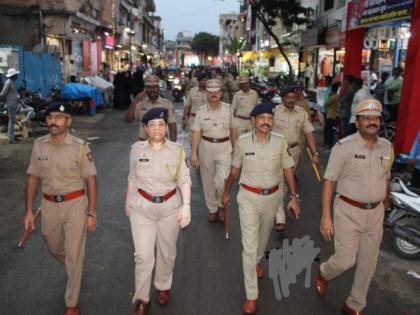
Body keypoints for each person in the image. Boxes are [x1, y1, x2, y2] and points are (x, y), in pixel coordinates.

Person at [316, 98, 393, 315]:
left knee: (369, 262)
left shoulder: (387, 147)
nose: (371, 122)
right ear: (357, 121)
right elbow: (329, 182)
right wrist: (325, 217)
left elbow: (386, 178)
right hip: (348, 211)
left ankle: (355, 304)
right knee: (344, 260)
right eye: (366, 118)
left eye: (375, 118)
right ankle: (324, 272)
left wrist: (386, 203)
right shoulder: (343, 147)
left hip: (376, 212)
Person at [222, 102, 300, 315]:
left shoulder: (280, 142)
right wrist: (226, 191)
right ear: (254, 121)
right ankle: (251, 296)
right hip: (247, 197)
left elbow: (288, 171)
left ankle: (258, 260)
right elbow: (235, 170)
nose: (266, 122)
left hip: (273, 198)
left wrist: (293, 197)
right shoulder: (243, 143)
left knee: (263, 237)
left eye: (269, 118)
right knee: (249, 246)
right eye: (262, 118)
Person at [23, 102, 97, 315]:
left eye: (59, 117)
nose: (53, 121)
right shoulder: (39, 145)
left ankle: (71, 303)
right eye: (50, 117)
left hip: (76, 205)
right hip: (49, 204)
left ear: (68, 121)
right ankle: (75, 266)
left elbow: (91, 181)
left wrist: (91, 213)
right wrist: (28, 210)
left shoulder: (80, 147)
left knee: (74, 253)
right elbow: (32, 177)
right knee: (52, 244)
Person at [125, 107, 191, 315]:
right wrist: (127, 203)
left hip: (170, 208)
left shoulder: (177, 150)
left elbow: (184, 179)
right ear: (145, 128)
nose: (156, 128)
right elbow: (132, 178)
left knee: (167, 253)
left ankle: (163, 286)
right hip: (142, 208)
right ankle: (142, 298)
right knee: (143, 256)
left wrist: (186, 205)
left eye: (160, 124)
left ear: (166, 127)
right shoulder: (136, 149)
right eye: (151, 125)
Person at [272, 85, 320, 231]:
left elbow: (309, 133)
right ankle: (280, 217)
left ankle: (283, 206)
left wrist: (315, 153)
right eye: (288, 98)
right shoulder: (274, 112)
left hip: (294, 152)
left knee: (287, 182)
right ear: (282, 98)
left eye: (293, 98)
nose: (291, 100)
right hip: (276, 151)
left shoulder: (301, 113)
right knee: (279, 181)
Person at [191, 79, 237, 222]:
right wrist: (193, 153)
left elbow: (234, 131)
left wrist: (236, 151)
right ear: (206, 94)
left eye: (216, 91)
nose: (213, 94)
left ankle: (221, 205)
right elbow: (196, 133)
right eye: (210, 92)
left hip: (225, 148)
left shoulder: (229, 109)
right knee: (208, 181)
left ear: (220, 93)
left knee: (222, 180)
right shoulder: (200, 111)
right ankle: (212, 209)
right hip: (206, 147)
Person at [125, 75, 177, 141]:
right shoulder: (141, 103)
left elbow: (172, 125)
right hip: (143, 143)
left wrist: (173, 145)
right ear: (145, 89)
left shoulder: (167, 104)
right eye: (149, 87)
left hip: (161, 143)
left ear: (158, 88)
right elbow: (128, 120)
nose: (152, 90)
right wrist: (135, 101)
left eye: (154, 87)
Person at [182, 72, 208, 141]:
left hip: (207, 119)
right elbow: (187, 106)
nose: (204, 82)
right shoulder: (192, 91)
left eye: (205, 80)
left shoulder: (210, 91)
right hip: (194, 119)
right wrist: (184, 119)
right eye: (202, 80)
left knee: (206, 142)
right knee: (193, 140)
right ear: (198, 81)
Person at [1, 68, 20, 143]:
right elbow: (3, 93)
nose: (17, 76)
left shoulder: (11, 82)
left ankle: (11, 137)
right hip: (11, 104)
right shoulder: (8, 82)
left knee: (12, 121)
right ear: (13, 75)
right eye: (16, 75)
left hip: (13, 104)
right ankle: (10, 138)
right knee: (11, 121)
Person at [325, 82, 341, 148]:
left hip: (331, 115)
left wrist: (329, 96)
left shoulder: (333, 97)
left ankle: (329, 144)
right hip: (332, 115)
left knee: (329, 130)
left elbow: (327, 103)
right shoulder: (336, 96)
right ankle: (329, 143)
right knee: (330, 130)